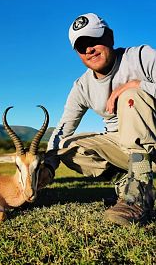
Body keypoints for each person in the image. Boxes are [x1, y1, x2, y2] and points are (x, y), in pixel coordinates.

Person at [43, 12, 155, 226]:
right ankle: (127, 184)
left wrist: (136, 86)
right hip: (123, 147)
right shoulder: (82, 86)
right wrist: (48, 165)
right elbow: (63, 129)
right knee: (66, 147)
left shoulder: (141, 56)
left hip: (153, 140)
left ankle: (139, 194)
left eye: (94, 40)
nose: (89, 50)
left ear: (110, 37)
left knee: (130, 96)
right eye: (81, 46)